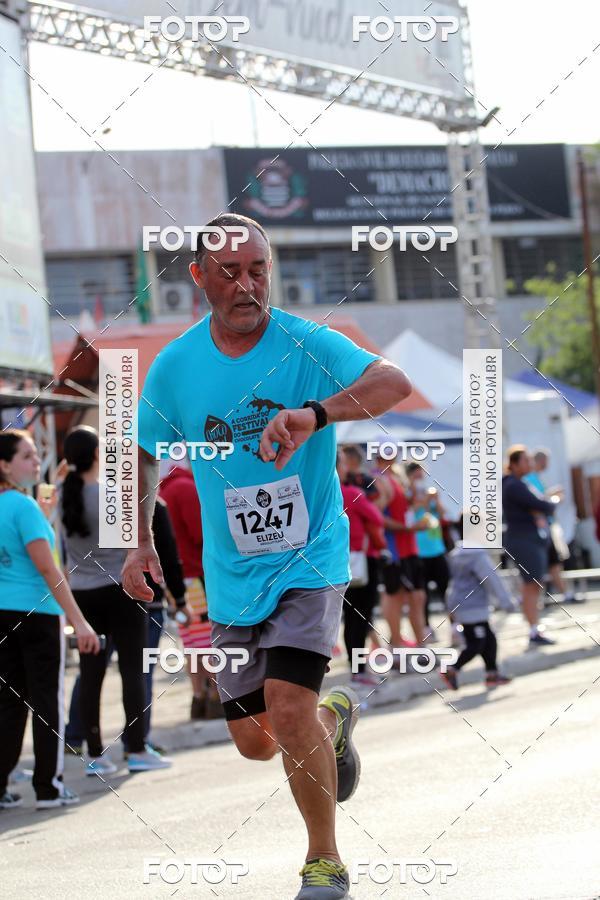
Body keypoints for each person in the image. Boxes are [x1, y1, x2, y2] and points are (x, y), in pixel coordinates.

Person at [123, 212, 412, 900]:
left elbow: (394, 383)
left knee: (287, 708)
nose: (248, 285)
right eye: (230, 272)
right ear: (199, 277)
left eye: (259, 269)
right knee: (257, 740)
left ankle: (324, 860)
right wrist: (136, 540)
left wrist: (317, 412)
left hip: (310, 558)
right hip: (231, 579)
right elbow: (138, 455)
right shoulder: (176, 366)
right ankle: (333, 719)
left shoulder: (306, 343)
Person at [60, 425, 171, 774]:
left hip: (81, 590)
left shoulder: (65, 495)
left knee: (91, 676)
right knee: (132, 671)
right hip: (120, 588)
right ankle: (136, 749)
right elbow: (133, 543)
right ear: (97, 454)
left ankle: (95, 753)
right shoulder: (110, 494)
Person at [0, 429, 99, 810]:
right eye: (26, 456)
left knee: (9, 703)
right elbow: (49, 569)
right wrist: (80, 621)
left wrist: (50, 487)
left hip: (5, 616)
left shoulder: (21, 505)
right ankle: (49, 787)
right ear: (5, 465)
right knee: (46, 702)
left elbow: (33, 522)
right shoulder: (22, 508)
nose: (36, 461)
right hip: (38, 616)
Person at [160, 462, 221, 719]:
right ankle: (217, 698)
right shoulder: (186, 488)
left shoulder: (163, 492)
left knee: (192, 643)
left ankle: (198, 698)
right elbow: (201, 534)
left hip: (176, 581)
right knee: (210, 641)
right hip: (196, 575)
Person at [441, 516, 517, 689]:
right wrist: (506, 602)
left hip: (461, 603)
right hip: (472, 606)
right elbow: (491, 579)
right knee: (476, 643)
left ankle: (492, 673)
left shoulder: (457, 553)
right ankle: (452, 668)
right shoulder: (476, 554)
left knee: (489, 638)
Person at [337, 450, 386, 688]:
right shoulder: (352, 493)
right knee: (362, 617)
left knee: (348, 618)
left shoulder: (319, 497)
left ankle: (355, 670)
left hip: (335, 565)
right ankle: (359, 670)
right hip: (362, 562)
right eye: (344, 464)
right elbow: (376, 518)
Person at [502, 445, 559, 647]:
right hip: (523, 539)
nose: (530, 464)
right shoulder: (513, 485)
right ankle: (534, 629)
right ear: (515, 464)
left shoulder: (517, 483)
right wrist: (551, 502)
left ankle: (535, 627)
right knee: (531, 584)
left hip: (527, 538)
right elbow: (540, 505)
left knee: (534, 584)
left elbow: (538, 505)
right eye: (525, 460)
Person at [372, 456, 428, 648]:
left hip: (410, 546)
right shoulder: (378, 479)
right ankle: (395, 644)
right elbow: (377, 515)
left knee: (418, 597)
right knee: (394, 595)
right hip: (394, 548)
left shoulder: (397, 476)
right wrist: (407, 528)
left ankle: (421, 644)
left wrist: (416, 501)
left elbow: (405, 508)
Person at [524, 449, 581, 605]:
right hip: (539, 528)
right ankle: (546, 597)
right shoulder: (529, 478)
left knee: (553, 561)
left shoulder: (533, 477)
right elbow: (537, 502)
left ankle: (561, 593)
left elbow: (539, 500)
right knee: (546, 562)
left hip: (544, 526)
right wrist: (553, 498)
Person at [405, 462, 450, 641]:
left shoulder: (430, 492)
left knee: (445, 586)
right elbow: (408, 514)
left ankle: (454, 624)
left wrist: (436, 501)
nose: (420, 478)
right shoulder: (408, 495)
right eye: (416, 475)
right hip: (419, 550)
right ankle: (425, 627)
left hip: (436, 547)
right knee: (421, 593)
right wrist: (421, 501)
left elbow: (443, 514)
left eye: (421, 475)